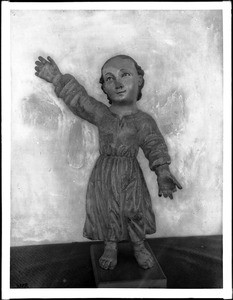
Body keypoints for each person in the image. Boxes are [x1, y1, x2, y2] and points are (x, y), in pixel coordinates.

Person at [35, 54, 182, 270]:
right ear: (104, 87)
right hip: (105, 173)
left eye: (125, 75)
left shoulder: (144, 121)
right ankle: (110, 246)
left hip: (130, 172)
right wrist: (57, 78)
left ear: (139, 80)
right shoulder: (102, 114)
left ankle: (139, 245)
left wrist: (162, 171)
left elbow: (154, 144)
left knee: (134, 209)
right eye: (110, 78)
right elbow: (80, 101)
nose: (119, 83)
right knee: (107, 209)